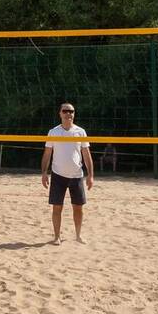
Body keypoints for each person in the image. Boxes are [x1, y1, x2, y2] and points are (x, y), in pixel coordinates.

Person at [40, 103, 94, 244]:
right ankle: (57, 237)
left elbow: (86, 154)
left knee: (78, 207)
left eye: (71, 111)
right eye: (65, 111)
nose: (68, 113)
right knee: (57, 207)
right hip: (58, 174)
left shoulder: (80, 132)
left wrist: (91, 175)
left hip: (76, 175)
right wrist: (44, 173)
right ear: (60, 113)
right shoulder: (53, 132)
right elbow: (47, 153)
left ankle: (78, 235)